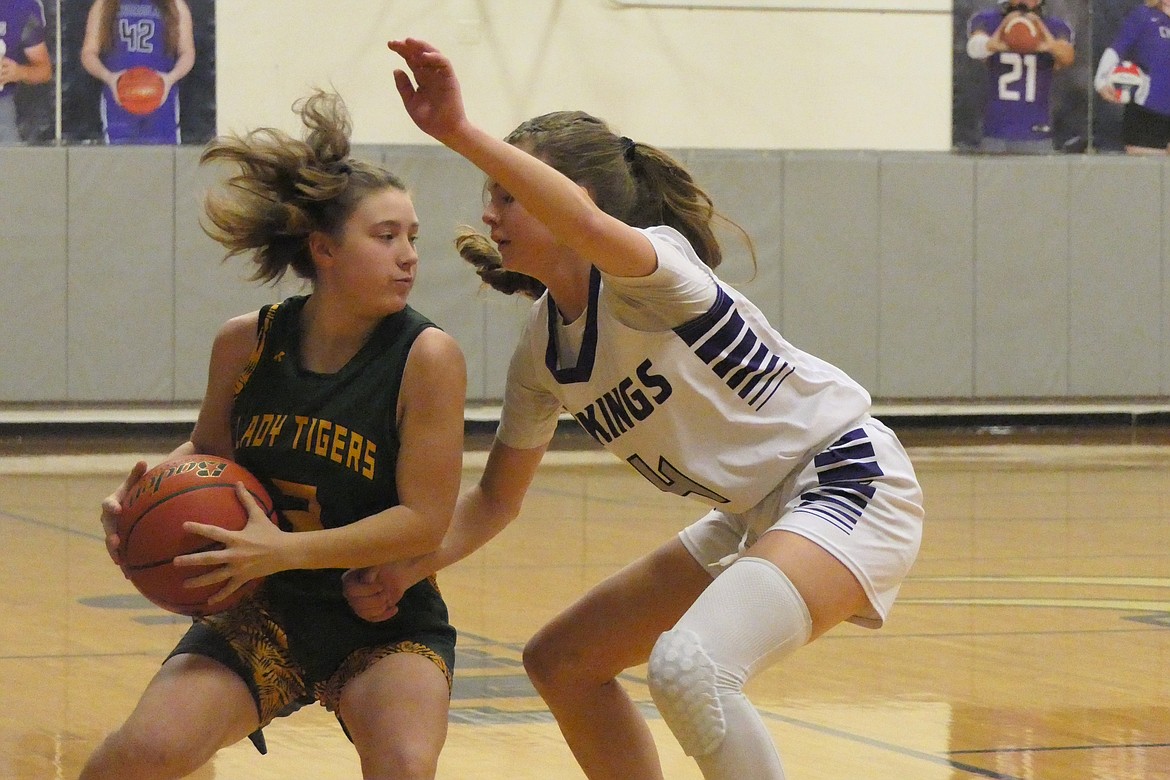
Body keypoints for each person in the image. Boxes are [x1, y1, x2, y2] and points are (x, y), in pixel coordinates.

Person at [346, 38, 925, 780]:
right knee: (562, 662)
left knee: (690, 668)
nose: (489, 211)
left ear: (572, 199)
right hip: (754, 510)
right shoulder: (542, 351)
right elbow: (494, 500)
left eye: (507, 193)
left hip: (847, 480)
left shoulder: (655, 270)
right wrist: (404, 570)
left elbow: (589, 231)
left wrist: (459, 131)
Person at [79, 89, 467, 780]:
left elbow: (425, 522)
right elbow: (207, 452)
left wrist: (284, 549)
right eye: (386, 237)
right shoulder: (246, 343)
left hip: (384, 613)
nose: (409, 255)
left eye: (413, 237)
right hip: (265, 606)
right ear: (323, 248)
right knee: (138, 756)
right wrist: (139, 499)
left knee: (405, 765)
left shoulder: (426, 357)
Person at [966, 0, 1075, 153]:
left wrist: (1046, 42)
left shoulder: (1055, 26)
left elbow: (1067, 56)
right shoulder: (987, 20)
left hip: (1036, 131)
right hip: (996, 130)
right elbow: (974, 48)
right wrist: (1003, 31)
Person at [79, 0, 194, 144]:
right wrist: (109, 77)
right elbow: (88, 53)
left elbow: (187, 52)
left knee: (163, 160)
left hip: (162, 98)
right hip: (119, 98)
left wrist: (170, 78)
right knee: (118, 162)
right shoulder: (104, 5)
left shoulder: (175, 5)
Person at [1094, 0, 1170, 154]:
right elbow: (1117, 48)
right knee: (1145, 173)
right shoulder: (1143, 15)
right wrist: (1100, 81)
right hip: (1148, 111)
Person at [0, 0, 52, 144]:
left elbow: (44, 70)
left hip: (3, 105)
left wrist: (18, 72)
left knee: (10, 162)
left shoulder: (22, 6)